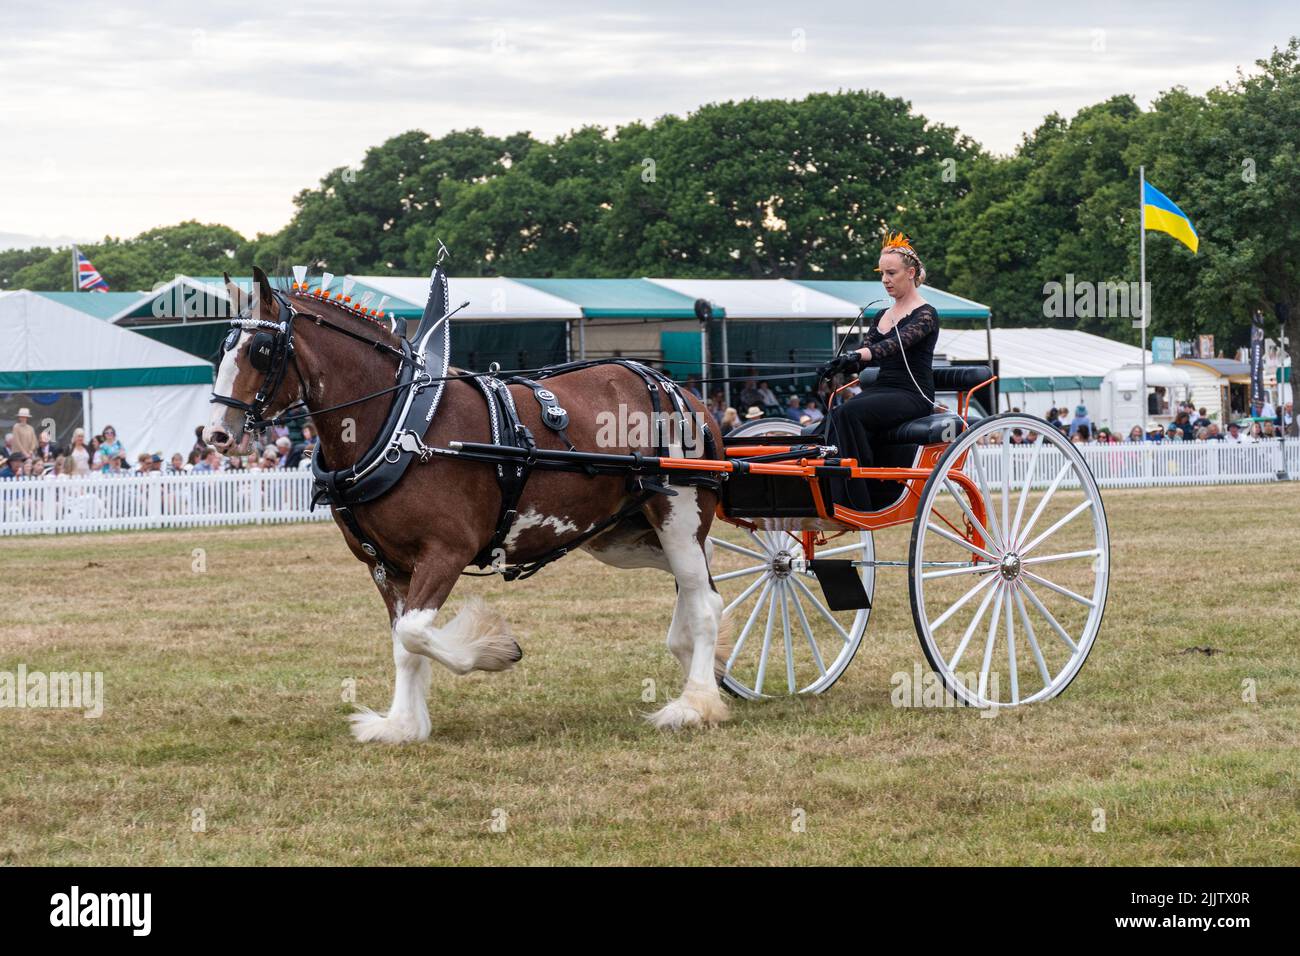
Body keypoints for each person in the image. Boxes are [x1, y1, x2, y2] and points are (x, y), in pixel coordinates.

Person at [820, 231, 939, 510]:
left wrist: (859, 353)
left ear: (910, 273)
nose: (885, 280)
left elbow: (895, 345)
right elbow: (867, 358)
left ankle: (856, 497)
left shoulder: (926, 314)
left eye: (891, 273)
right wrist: (843, 362)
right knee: (833, 417)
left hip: (912, 394)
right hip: (882, 390)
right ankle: (823, 490)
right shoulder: (881, 315)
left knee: (849, 413)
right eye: (882, 273)